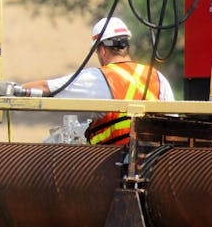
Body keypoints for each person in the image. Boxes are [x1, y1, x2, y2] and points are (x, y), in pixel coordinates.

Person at [19, 16, 174, 146]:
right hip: (154, 165)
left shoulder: (97, 78)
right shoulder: (157, 77)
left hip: (113, 165)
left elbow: (48, 87)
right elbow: (173, 122)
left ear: (102, 50)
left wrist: (10, 90)